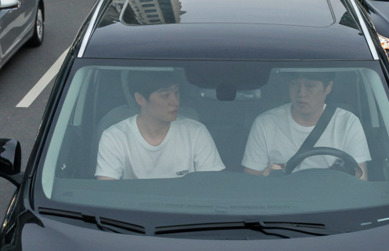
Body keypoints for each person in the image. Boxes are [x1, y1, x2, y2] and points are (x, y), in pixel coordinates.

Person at [95, 72, 224, 180]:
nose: (175, 102)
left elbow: (211, 187)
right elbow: (107, 190)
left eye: (176, 93)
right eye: (165, 95)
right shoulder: (114, 137)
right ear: (140, 99)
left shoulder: (196, 132)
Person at [242, 72, 371, 179]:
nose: (301, 93)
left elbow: (360, 178)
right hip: (282, 202)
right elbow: (252, 182)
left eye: (310, 85)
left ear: (328, 88)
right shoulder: (265, 124)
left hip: (333, 200)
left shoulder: (348, 123)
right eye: (295, 84)